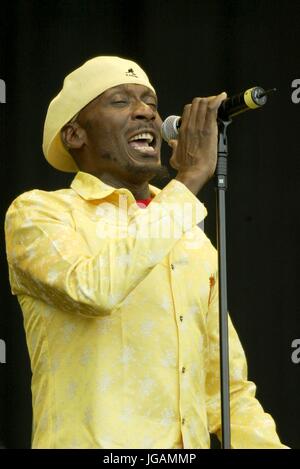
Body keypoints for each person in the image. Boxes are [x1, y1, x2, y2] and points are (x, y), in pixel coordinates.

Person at [5, 56, 287, 449]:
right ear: (74, 135)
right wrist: (187, 180)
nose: (146, 113)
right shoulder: (39, 214)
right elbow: (94, 289)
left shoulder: (187, 234)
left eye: (151, 104)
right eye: (121, 101)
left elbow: (226, 390)